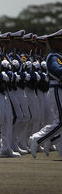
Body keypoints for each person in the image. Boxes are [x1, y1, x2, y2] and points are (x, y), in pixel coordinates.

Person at [30, 29, 62, 158]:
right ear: (53, 43)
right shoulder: (53, 56)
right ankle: (38, 138)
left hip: (58, 90)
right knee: (60, 121)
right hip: (56, 90)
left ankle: (54, 142)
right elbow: (58, 71)